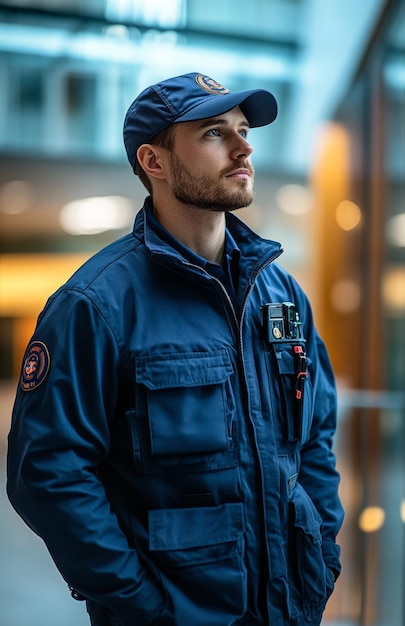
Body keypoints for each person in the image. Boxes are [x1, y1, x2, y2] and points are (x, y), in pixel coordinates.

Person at [7, 72, 344, 626]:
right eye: (215, 133)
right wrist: (144, 605)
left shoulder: (281, 295)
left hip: (289, 607)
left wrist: (322, 555)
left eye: (242, 129)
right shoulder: (96, 304)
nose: (244, 146)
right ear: (154, 162)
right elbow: (48, 474)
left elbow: (315, 438)